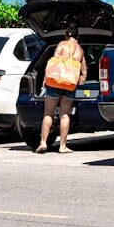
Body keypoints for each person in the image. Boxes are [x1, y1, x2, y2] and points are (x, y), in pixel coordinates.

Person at [37, 26, 87, 154]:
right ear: (77, 37)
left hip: (55, 82)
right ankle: (62, 146)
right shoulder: (80, 50)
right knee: (65, 115)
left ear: (66, 35)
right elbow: (84, 73)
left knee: (48, 113)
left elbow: (53, 62)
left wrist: (45, 79)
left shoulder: (61, 44)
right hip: (70, 84)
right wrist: (78, 84)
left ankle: (43, 142)